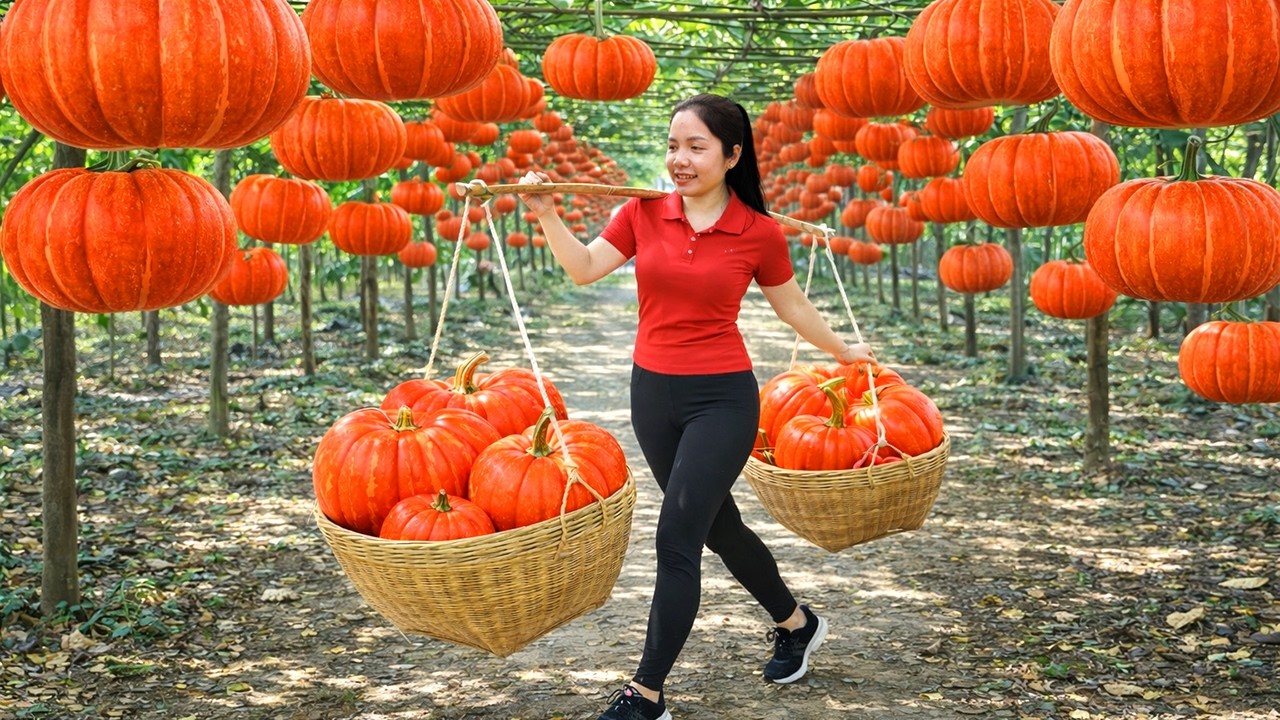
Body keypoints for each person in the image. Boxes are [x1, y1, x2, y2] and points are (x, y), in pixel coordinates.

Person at [517, 93, 874, 720]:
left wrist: (847, 351)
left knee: (676, 535)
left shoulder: (759, 232)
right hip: (652, 396)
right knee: (718, 527)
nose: (680, 159)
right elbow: (584, 269)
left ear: (732, 156)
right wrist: (546, 213)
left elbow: (792, 307)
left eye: (696, 146)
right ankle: (797, 622)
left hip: (723, 399)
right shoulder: (644, 212)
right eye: (673, 146)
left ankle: (646, 692)